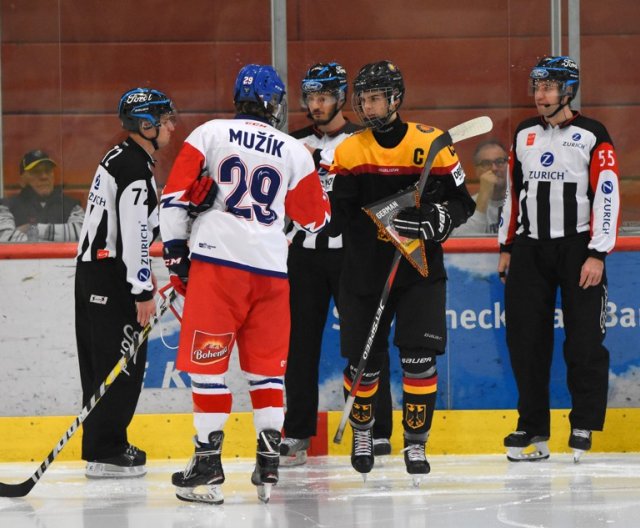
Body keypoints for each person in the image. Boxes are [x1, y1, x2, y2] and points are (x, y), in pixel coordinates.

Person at [160, 64, 331, 504]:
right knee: (266, 372)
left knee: (208, 368)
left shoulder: (210, 133)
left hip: (218, 268)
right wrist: (320, 187)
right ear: (274, 104)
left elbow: (175, 198)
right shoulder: (294, 149)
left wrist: (177, 255)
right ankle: (269, 461)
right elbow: (316, 220)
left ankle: (207, 465)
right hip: (272, 274)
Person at [330, 60, 475, 479]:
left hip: (419, 272)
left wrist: (436, 217)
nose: (367, 106)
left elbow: (462, 202)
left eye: (375, 97)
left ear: (396, 98)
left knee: (418, 357)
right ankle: (364, 431)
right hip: (363, 272)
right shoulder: (349, 150)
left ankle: (415, 442)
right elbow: (337, 218)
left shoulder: (431, 143)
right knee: (362, 362)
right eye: (363, 98)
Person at [498, 56, 620, 463]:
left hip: (578, 250)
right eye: (537, 87)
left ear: (568, 91)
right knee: (525, 342)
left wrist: (597, 252)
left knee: (584, 341)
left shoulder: (593, 134)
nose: (540, 95)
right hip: (530, 250)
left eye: (548, 87)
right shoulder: (524, 133)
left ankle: (583, 422)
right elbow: (513, 193)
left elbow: (607, 194)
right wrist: (506, 245)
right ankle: (532, 427)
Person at [280, 62, 394, 466]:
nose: (316, 105)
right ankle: (295, 433)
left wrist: (322, 166)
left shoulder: (366, 141)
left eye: (324, 96)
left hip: (353, 256)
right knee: (299, 347)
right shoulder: (290, 143)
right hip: (303, 257)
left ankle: (376, 430)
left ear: (342, 98)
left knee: (365, 343)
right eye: (310, 97)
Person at [75, 87, 176, 478]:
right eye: (163, 119)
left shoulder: (121, 156)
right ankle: (108, 450)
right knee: (122, 364)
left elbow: (137, 223)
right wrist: (143, 291)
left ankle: (103, 445)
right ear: (145, 124)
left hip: (94, 274)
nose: (170, 125)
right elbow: (134, 237)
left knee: (103, 364)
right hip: (113, 277)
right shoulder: (135, 170)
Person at [0, 150, 85, 242]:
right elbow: (5, 238)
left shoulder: (72, 206)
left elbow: (82, 233)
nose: (44, 177)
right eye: (36, 172)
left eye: (48, 171)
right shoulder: (6, 207)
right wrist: (59, 237)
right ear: (22, 180)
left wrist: (31, 228)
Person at [451, 139, 508, 236]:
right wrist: (483, 196)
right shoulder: (465, 206)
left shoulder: (520, 202)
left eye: (500, 161)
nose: (494, 168)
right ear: (476, 170)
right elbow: (462, 241)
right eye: (486, 163)